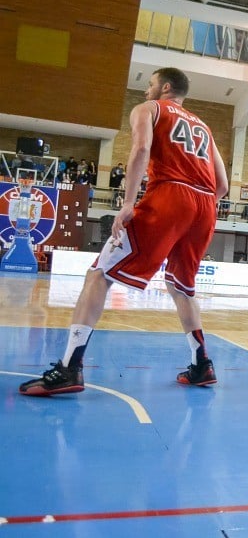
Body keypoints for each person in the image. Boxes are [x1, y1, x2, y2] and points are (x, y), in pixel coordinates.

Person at [19, 67, 229, 396]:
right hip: (206, 207)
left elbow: (142, 149)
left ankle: (70, 368)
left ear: (166, 87)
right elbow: (224, 185)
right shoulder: (204, 126)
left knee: (98, 275)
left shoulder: (149, 109)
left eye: (150, 85)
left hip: (171, 196)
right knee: (182, 288)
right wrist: (197, 209)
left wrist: (129, 202)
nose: (146, 91)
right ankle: (202, 364)